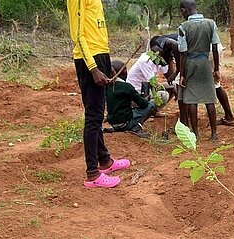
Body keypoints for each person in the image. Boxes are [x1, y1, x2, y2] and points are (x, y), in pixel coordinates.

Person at [66, 0, 130, 188]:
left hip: (100, 56)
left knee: (98, 113)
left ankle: (105, 161)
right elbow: (78, 35)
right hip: (89, 60)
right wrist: (94, 69)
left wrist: (105, 63)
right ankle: (92, 173)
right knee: (93, 116)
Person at [177, 0, 221, 141]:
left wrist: (182, 74)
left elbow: (183, 52)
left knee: (191, 100)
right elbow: (214, 46)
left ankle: (195, 133)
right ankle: (214, 134)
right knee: (209, 99)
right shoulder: (210, 23)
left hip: (190, 63)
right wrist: (216, 69)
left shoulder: (184, 27)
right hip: (205, 63)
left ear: (184, 10)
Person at [106, 60, 155, 138]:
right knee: (151, 104)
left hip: (113, 122)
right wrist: (145, 99)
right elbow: (144, 104)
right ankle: (136, 126)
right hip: (125, 123)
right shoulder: (126, 87)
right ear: (124, 71)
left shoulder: (107, 86)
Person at [126, 44, 175, 116]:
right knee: (164, 95)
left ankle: (154, 111)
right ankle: (145, 113)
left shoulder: (158, 60)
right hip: (137, 92)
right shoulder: (145, 61)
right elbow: (153, 83)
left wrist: (170, 61)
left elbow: (170, 77)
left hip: (147, 87)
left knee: (174, 85)